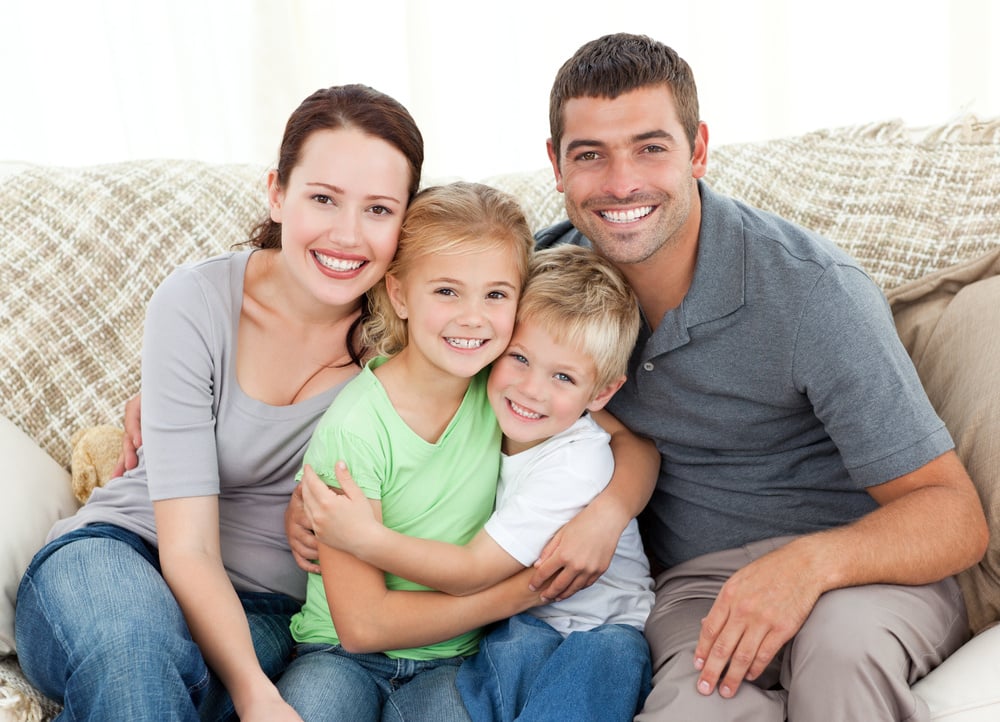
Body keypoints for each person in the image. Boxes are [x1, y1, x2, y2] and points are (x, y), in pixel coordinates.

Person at [532, 33, 988, 721]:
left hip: (863, 568)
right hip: (697, 586)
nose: (621, 182)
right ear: (556, 166)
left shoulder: (811, 293)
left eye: (650, 147)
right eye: (590, 155)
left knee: (840, 654)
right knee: (695, 709)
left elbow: (954, 516)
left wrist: (806, 567)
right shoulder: (544, 285)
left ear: (699, 150)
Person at [15, 83, 425, 722]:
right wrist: (259, 696)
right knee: (133, 654)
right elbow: (188, 550)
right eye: (323, 198)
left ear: (407, 221)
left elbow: (535, 300)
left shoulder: (417, 338)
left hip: (264, 611)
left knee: (149, 693)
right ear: (277, 193)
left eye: (378, 209)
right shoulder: (198, 302)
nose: (348, 235)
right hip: (118, 558)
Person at [301, 243, 658, 721]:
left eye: (563, 378)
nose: (533, 389)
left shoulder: (573, 463)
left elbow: (472, 570)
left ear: (602, 392)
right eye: (520, 358)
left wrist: (367, 540)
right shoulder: (483, 390)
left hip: (598, 631)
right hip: (519, 628)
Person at [275, 181, 541, 721]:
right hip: (339, 653)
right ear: (399, 295)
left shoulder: (512, 391)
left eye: (496, 294)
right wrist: (514, 595)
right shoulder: (355, 428)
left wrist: (606, 514)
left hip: (451, 659)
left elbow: (624, 436)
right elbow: (362, 626)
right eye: (446, 291)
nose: (473, 317)